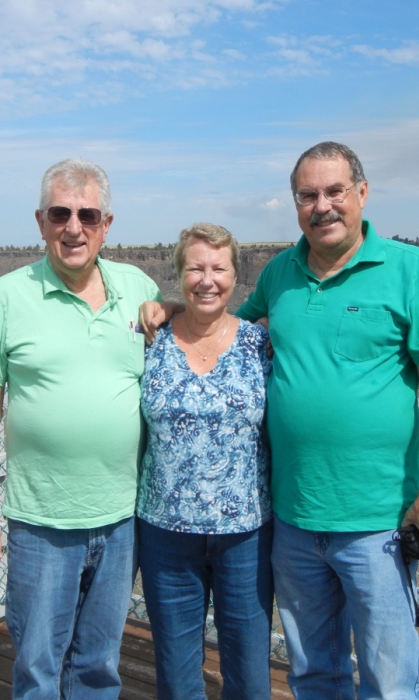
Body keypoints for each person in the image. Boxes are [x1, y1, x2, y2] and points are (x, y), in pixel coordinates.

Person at [141, 142, 419, 697]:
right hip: (292, 519)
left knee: (391, 680)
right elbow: (221, 327)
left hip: (378, 518)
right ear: (295, 205)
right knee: (314, 673)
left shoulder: (411, 269)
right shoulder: (280, 275)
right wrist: (172, 309)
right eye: (308, 195)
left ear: (361, 193)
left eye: (335, 191)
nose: (323, 206)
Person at [0, 157, 162, 699]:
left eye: (87, 215)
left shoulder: (137, 287)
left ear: (106, 223)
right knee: (37, 665)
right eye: (60, 214)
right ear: (40, 220)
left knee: (98, 664)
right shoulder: (7, 296)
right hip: (42, 520)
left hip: (122, 517)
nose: (74, 227)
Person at [137, 223, 273, 699]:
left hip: (246, 537)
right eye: (195, 268)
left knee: (250, 676)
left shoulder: (260, 346)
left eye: (219, 268)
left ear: (236, 277)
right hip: (165, 535)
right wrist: (164, 313)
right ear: (179, 274)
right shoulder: (150, 340)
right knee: (176, 677)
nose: (207, 279)